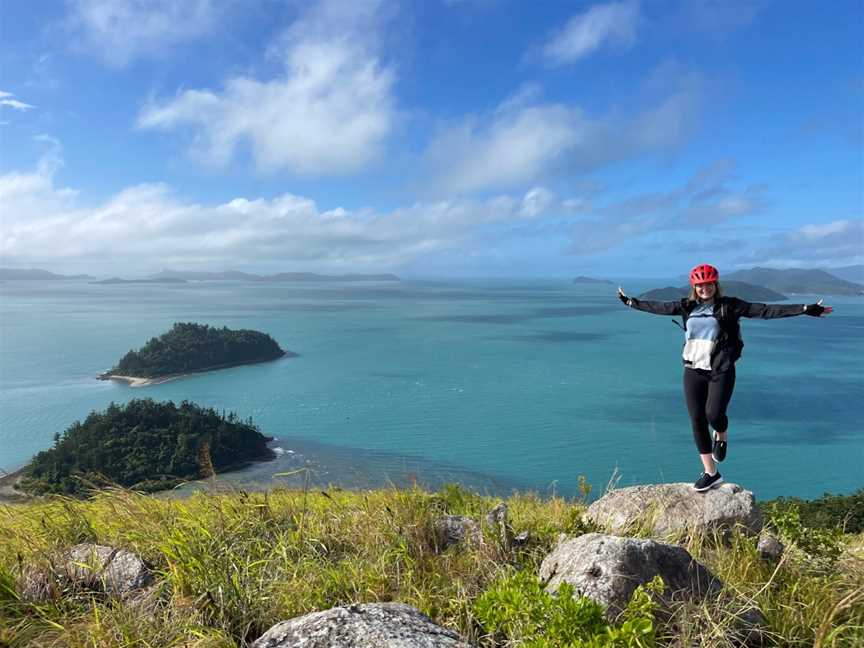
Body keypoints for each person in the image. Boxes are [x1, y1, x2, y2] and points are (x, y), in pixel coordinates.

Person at [617, 264, 833, 492]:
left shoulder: (729, 306)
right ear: (694, 287)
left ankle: (721, 433)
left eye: (708, 284)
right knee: (697, 419)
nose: (704, 289)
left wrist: (804, 308)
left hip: (720, 369)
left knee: (714, 414)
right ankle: (711, 473)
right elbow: (658, 307)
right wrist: (630, 301)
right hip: (693, 368)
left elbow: (764, 310)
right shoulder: (686, 306)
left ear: (715, 285)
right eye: (700, 285)